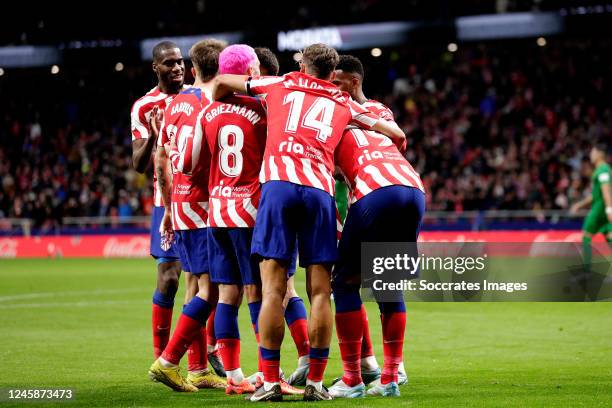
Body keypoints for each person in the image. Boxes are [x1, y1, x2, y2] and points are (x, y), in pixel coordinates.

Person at [210, 43, 406, 402]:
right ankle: (316, 381)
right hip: (318, 191)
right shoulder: (342, 100)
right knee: (320, 291)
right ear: (332, 74)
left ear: (302, 64)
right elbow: (380, 125)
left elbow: (222, 81)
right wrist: (396, 133)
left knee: (271, 289)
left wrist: (224, 92)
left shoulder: (278, 83)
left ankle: (270, 380)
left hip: (278, 188)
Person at [327, 54, 425, 398]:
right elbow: (394, 139)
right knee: (387, 284)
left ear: (353, 81)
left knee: (343, 283)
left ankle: (353, 378)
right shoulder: (381, 113)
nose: (331, 88)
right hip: (413, 189)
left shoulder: (334, 111)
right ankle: (390, 376)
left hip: (374, 191)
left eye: (336, 82)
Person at [147, 39, 227, 392]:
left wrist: (167, 207)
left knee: (194, 284)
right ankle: (168, 360)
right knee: (211, 289)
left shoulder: (175, 103)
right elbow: (193, 158)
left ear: (193, 69)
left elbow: (161, 157)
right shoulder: (207, 105)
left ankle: (196, 368)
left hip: (178, 202)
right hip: (201, 204)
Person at [254, 46, 311, 389]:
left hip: (264, 201)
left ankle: (267, 374)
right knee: (281, 286)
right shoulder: (288, 100)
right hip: (285, 196)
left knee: (260, 288)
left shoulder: (270, 100)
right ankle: (304, 358)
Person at [130, 41, 184, 361]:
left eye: (180, 62)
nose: (177, 67)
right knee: (169, 278)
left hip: (200, 198)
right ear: (156, 68)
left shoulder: (196, 95)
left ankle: (207, 355)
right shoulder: (143, 106)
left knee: (206, 280)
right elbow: (138, 164)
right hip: (167, 200)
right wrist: (153, 134)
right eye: (169, 63)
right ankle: (161, 356)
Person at [570, 142, 612, 272]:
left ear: (600, 154)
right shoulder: (602, 170)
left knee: (586, 236)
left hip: (600, 210)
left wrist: (609, 209)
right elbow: (595, 195)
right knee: (610, 238)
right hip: (603, 208)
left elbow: (606, 190)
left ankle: (586, 271)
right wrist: (580, 204)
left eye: (593, 152)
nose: (591, 154)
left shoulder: (603, 170)